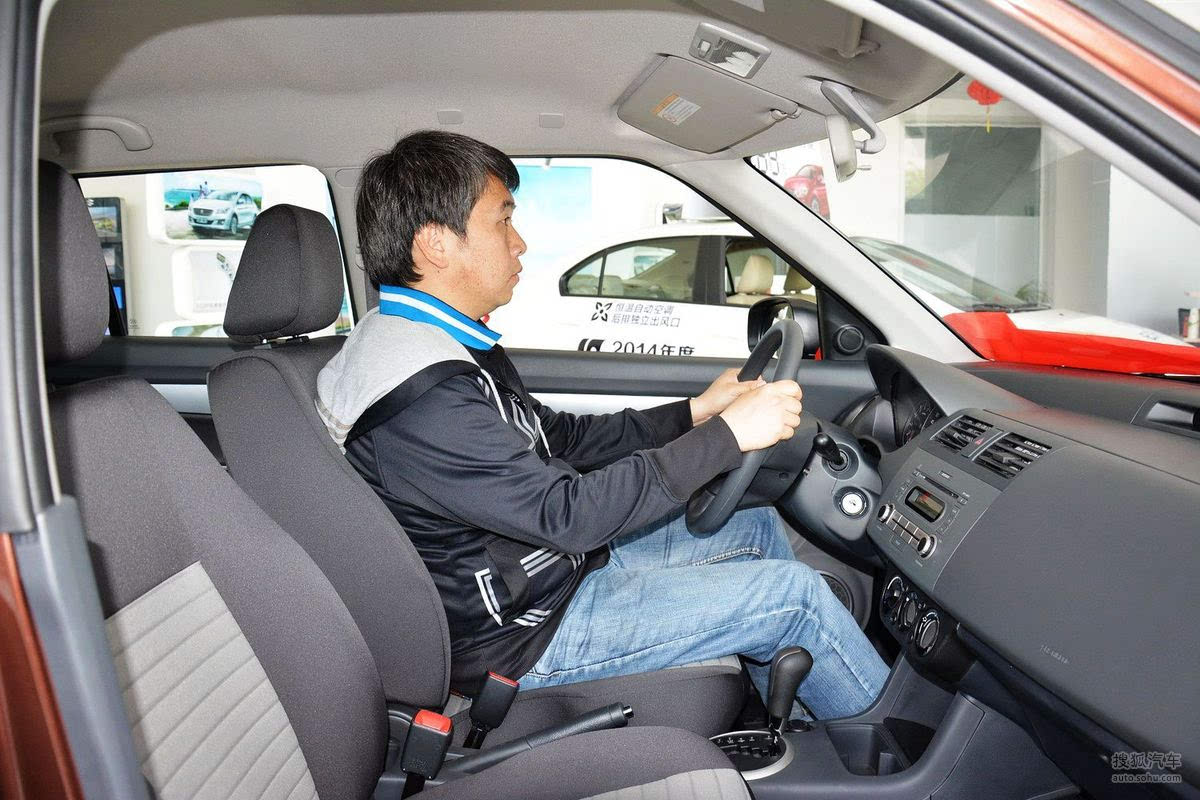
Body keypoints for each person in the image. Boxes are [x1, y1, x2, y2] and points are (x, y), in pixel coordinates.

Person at [316, 130, 888, 719]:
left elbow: (558, 439)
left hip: (545, 577)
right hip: (523, 636)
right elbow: (567, 517)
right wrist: (728, 438)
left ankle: (793, 721)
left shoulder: (433, 341)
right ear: (436, 243)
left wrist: (695, 412)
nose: (520, 243)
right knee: (796, 599)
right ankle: (893, 752)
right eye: (502, 221)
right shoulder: (421, 394)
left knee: (757, 527)